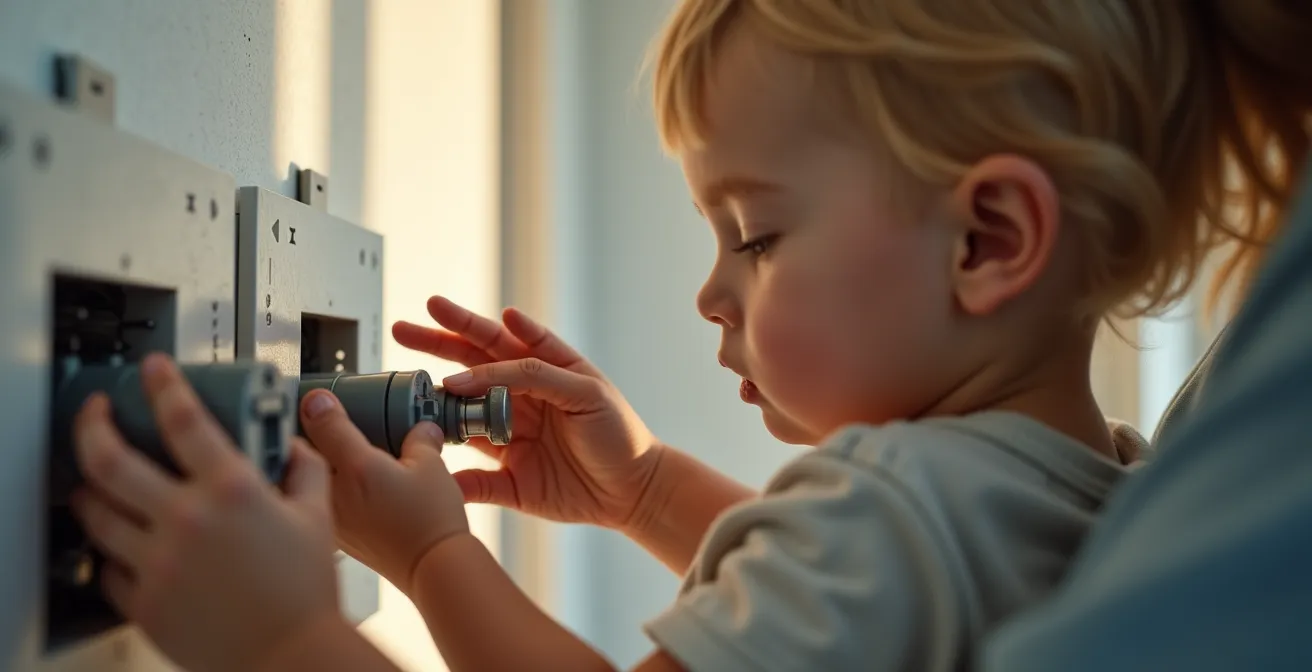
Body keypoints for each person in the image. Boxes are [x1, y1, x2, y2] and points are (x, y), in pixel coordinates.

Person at [61, 1, 1308, 671]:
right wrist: (646, 488)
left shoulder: (886, 505)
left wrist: (308, 627)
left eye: (755, 237)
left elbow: (872, 553)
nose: (714, 295)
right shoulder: (1129, 500)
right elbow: (885, 604)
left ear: (985, 241)